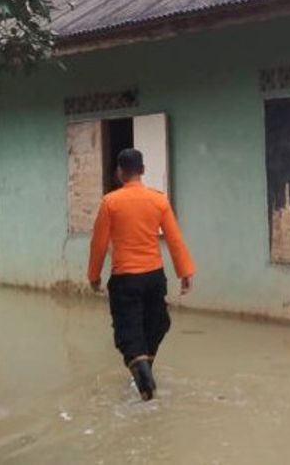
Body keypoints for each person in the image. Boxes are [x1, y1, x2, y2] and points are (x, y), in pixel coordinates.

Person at [88, 148, 196, 401]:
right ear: (143, 171)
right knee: (156, 325)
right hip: (154, 279)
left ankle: (145, 386)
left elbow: (99, 244)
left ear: (119, 173)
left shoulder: (110, 203)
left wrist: (94, 276)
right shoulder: (158, 200)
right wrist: (185, 272)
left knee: (130, 332)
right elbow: (174, 238)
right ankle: (143, 374)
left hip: (125, 279)